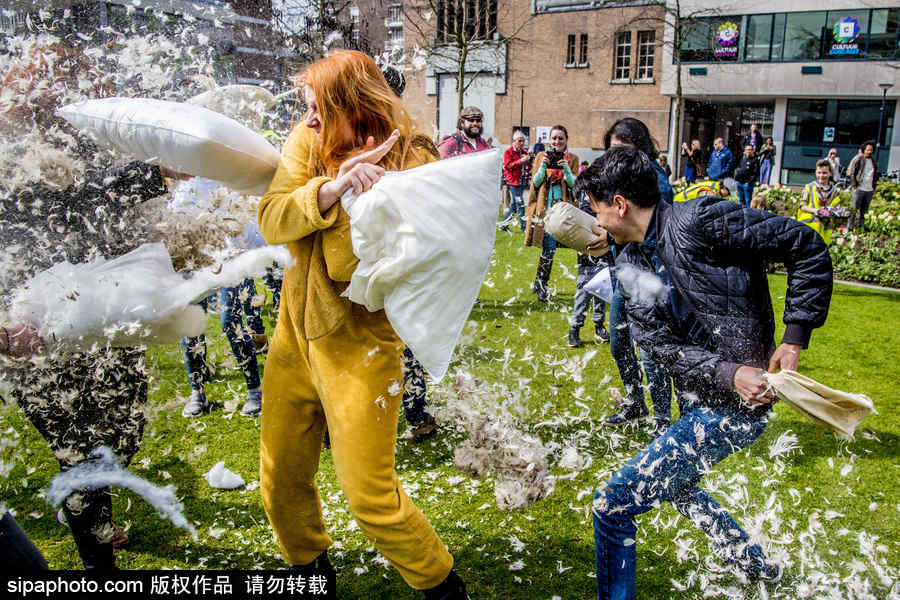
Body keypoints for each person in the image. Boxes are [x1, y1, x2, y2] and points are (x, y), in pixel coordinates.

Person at [576, 145, 833, 599]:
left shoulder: (701, 219)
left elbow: (805, 244)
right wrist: (728, 371)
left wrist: (793, 339)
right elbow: (660, 346)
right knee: (679, 486)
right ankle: (757, 565)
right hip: (711, 395)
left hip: (739, 406)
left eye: (597, 208)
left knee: (611, 505)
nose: (595, 221)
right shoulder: (631, 262)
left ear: (619, 204)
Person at [257, 50, 467, 598]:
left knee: (370, 495)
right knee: (280, 481)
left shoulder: (413, 158)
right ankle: (308, 573)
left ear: (353, 105)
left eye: (318, 110)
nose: (308, 121)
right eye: (305, 109)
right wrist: (330, 190)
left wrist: (372, 204)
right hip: (293, 338)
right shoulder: (307, 141)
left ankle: (442, 586)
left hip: (362, 347)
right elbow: (272, 219)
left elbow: (412, 257)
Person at [598, 118, 672, 434]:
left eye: (623, 149)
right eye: (612, 149)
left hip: (648, 277)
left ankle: (663, 421)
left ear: (640, 148)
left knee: (651, 351)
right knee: (619, 343)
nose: (616, 155)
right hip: (622, 275)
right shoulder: (611, 178)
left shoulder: (654, 177)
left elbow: (657, 223)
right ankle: (635, 403)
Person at [525, 125, 580, 302]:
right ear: (549, 139)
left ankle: (539, 282)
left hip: (563, 211)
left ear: (566, 140)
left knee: (552, 249)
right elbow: (536, 182)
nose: (557, 142)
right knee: (548, 249)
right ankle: (542, 285)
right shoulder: (542, 156)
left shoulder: (572, 159)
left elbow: (574, 186)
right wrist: (543, 166)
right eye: (554, 138)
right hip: (546, 209)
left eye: (561, 138)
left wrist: (566, 170)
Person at [568, 192, 613, 348]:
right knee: (583, 294)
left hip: (604, 256)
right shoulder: (584, 210)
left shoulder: (605, 206)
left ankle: (599, 326)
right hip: (586, 260)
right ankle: (574, 329)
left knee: (601, 292)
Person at [797, 159, 842, 246]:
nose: (821, 175)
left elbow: (836, 209)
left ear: (830, 174)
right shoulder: (809, 187)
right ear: (815, 173)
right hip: (808, 229)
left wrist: (835, 212)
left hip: (824, 231)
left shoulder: (835, 192)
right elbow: (802, 206)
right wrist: (816, 211)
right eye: (819, 172)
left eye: (824, 173)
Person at [500, 130, 532, 232]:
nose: (522, 143)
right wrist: (520, 161)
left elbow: (528, 166)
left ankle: (503, 224)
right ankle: (524, 228)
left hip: (522, 180)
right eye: (520, 141)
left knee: (514, 205)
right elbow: (508, 166)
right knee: (520, 203)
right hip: (513, 181)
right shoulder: (508, 152)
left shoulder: (524, 152)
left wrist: (529, 159)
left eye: (523, 141)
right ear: (514, 141)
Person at [848, 140, 878, 231]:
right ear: (864, 150)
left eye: (871, 150)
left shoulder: (873, 161)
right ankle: (850, 228)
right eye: (868, 150)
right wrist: (855, 186)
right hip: (859, 188)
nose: (870, 151)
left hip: (869, 189)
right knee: (854, 209)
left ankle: (861, 227)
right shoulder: (859, 159)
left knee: (864, 211)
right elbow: (852, 173)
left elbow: (874, 174)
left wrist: (874, 186)